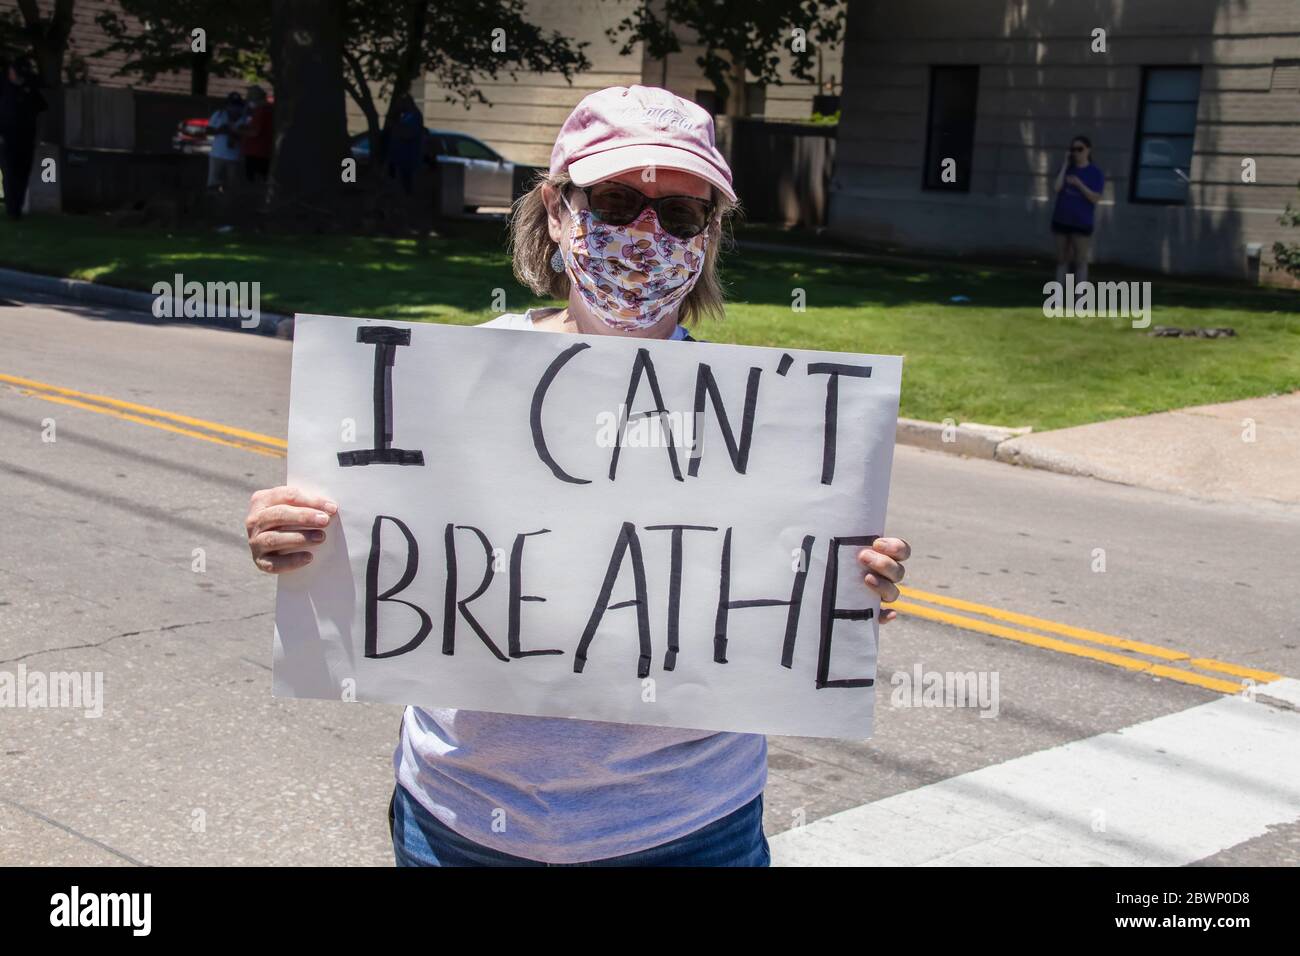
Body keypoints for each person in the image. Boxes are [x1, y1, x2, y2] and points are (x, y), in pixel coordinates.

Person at [243, 85, 912, 867]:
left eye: (681, 214)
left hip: (688, 828)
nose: (646, 231)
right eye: (617, 200)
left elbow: (780, 592)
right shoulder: (444, 382)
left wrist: (843, 589)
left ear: (707, 238)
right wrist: (295, 539)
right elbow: (373, 554)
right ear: (558, 212)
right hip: (462, 820)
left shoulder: (771, 423)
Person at [1050, 135, 1104, 287]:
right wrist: (1065, 165)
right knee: (1061, 259)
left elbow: (1095, 197)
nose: (1076, 152)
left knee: (1080, 260)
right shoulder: (1067, 169)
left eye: (1080, 149)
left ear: (1088, 150)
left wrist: (1079, 184)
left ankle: (1080, 297)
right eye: (1073, 149)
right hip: (1061, 219)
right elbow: (1056, 188)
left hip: (1081, 222)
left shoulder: (1095, 172)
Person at [0, 58, 47, 220]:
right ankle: (12, 208)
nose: (11, 75)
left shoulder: (31, 90)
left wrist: (39, 136)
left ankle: (17, 207)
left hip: (27, 139)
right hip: (6, 138)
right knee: (9, 173)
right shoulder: (4, 87)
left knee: (22, 174)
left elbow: (41, 112)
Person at [385, 92, 424, 195]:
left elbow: (408, 134)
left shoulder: (414, 116)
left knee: (406, 190)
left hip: (407, 161)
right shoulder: (405, 116)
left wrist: (395, 126)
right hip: (400, 160)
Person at [206, 91, 245, 193]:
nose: (234, 108)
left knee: (232, 186)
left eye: (237, 106)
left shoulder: (244, 118)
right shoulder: (219, 114)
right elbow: (208, 130)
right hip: (217, 155)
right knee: (213, 184)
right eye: (231, 105)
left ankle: (229, 205)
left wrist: (235, 133)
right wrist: (221, 130)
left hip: (234, 157)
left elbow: (247, 135)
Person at [239, 85, 273, 183]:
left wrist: (239, 130)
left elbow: (255, 132)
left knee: (252, 184)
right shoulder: (269, 109)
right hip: (264, 151)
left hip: (255, 153)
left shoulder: (260, 110)